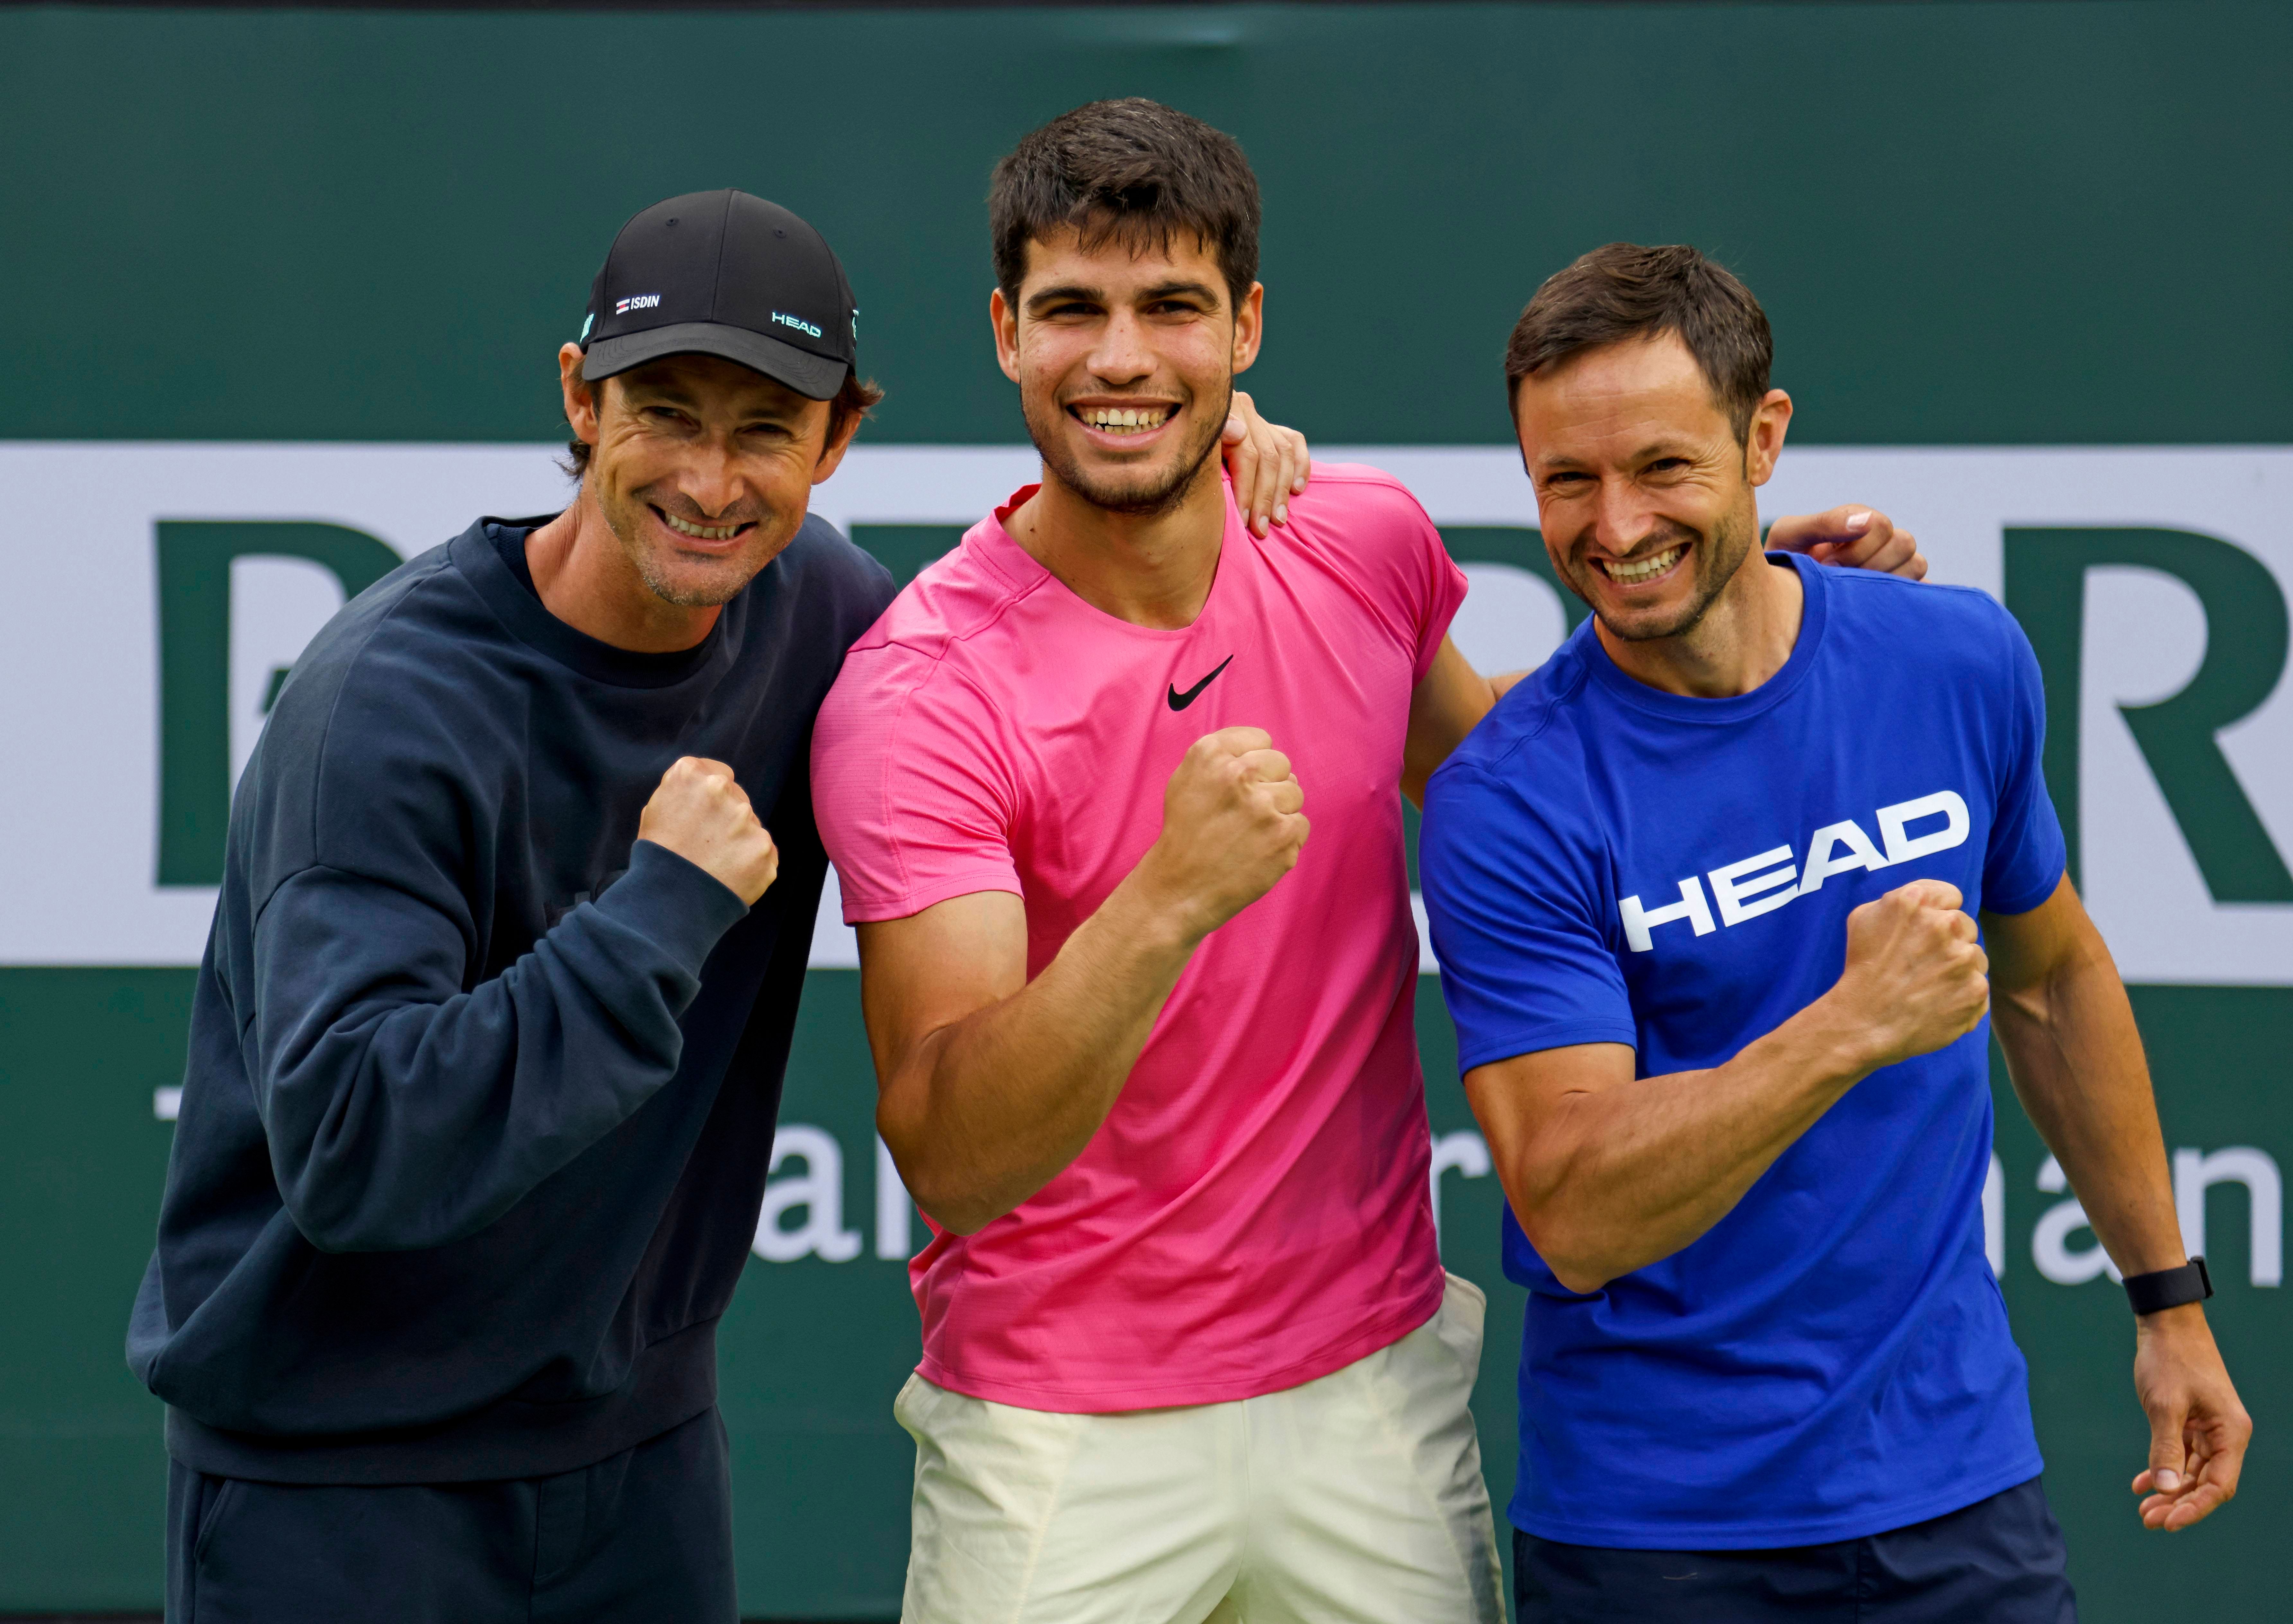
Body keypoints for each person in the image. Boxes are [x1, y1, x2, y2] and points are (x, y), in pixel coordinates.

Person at [123, 184, 1304, 1623]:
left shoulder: (826, 614)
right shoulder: (383, 708)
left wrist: (1203, 463)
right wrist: (653, 914)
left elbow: (1024, 619)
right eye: (666, 414)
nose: (709, 478)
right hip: (336, 1490)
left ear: (838, 438)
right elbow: (357, 1146)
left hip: (640, 1472)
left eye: (763, 430)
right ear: (580, 397)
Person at [812, 100, 1922, 1624]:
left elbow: (1539, 788)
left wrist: (1736, 594)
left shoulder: (1360, 542)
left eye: (1173, 310)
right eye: (1074, 310)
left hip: (1371, 1398)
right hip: (1058, 1436)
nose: (1122, 359)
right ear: (1007, 331)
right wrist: (1162, 904)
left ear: (1247, 327)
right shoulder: (920, 689)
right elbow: (955, 1150)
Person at [1420, 243, 2253, 1623]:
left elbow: (2051, 985)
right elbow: (1573, 1211)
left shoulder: (1956, 657)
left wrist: (2169, 1304)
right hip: (1658, 1537)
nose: (1615, 527)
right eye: (1568, 480)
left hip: (1961, 1496)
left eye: (1663, 468)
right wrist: (1852, 1028)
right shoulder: (1509, 797)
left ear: (1765, 439)